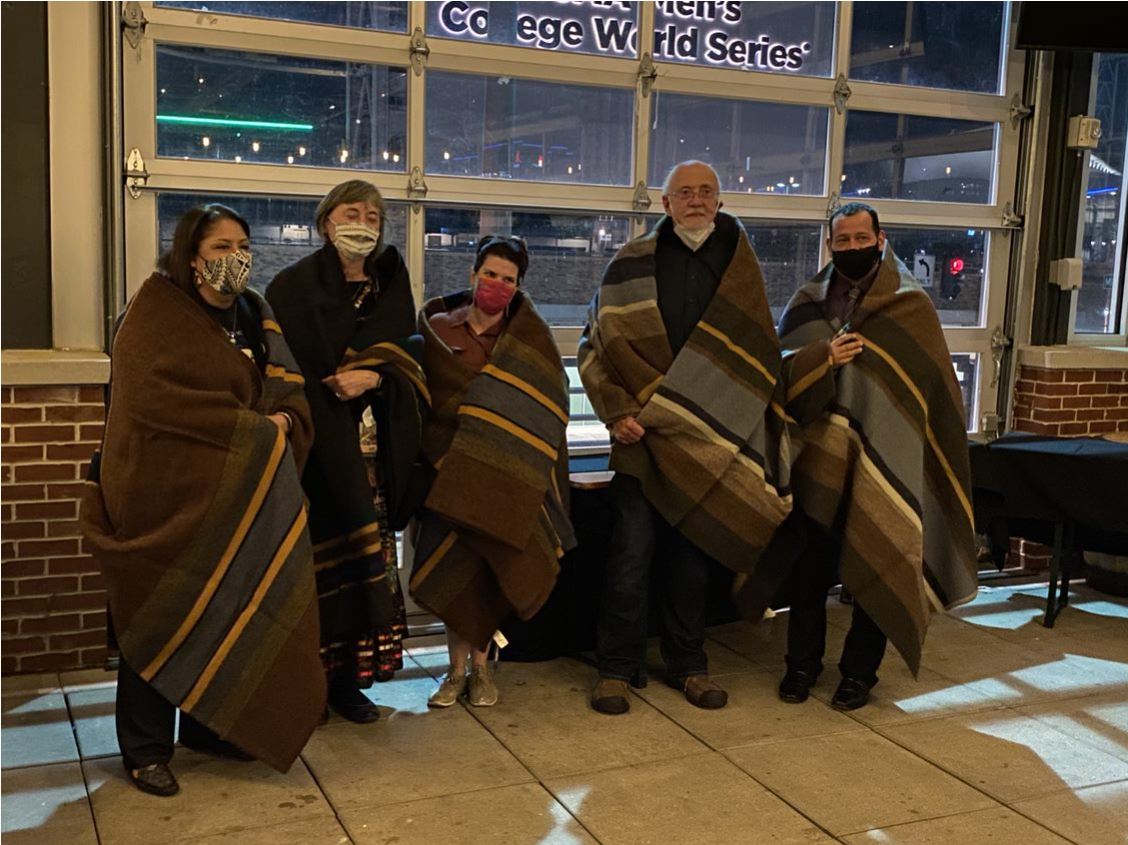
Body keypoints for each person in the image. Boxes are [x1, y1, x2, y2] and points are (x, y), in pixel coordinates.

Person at [80, 204, 322, 797]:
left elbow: (287, 384)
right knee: (159, 609)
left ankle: (211, 727)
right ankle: (145, 749)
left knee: (226, 610)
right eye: (219, 248)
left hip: (238, 499)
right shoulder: (153, 315)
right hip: (164, 497)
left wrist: (287, 417)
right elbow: (157, 405)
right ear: (191, 256)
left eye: (242, 245)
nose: (234, 258)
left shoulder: (254, 313)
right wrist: (265, 431)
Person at [578, 161, 792, 715]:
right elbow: (594, 345)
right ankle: (615, 670)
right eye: (684, 193)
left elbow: (756, 356)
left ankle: (689, 666)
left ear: (719, 202)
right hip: (640, 437)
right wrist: (617, 411)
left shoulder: (741, 267)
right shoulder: (629, 265)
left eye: (706, 192)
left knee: (692, 561)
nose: (695, 201)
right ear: (665, 202)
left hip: (707, 442)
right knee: (630, 555)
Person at [772, 201, 978, 710]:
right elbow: (778, 379)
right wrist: (823, 358)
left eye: (862, 239)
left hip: (884, 460)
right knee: (809, 570)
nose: (853, 248)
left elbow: (932, 391)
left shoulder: (911, 306)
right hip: (819, 459)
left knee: (879, 554)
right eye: (842, 241)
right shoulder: (806, 301)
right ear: (830, 245)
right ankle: (801, 665)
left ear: (880, 240)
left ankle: (859, 674)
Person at [266, 180, 428, 724]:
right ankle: (306, 686)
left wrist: (374, 380)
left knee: (367, 566)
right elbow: (283, 369)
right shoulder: (292, 287)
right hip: (315, 454)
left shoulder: (391, 286)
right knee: (313, 572)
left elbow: (409, 363)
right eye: (352, 211)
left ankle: (348, 684)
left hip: (374, 457)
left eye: (375, 215)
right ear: (325, 219)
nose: (364, 222)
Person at [411, 235, 575, 708]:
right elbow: (421, 397)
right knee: (453, 568)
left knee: (490, 574)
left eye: (508, 279)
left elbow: (549, 403)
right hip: (448, 471)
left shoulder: (531, 337)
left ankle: (481, 671)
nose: (497, 285)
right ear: (473, 274)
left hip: (506, 477)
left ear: (518, 284)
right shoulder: (437, 327)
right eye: (490, 274)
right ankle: (453, 671)